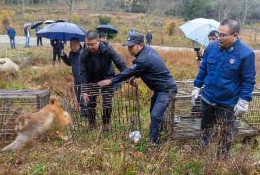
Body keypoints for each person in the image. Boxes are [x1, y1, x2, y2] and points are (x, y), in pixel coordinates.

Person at [192, 19, 256, 158]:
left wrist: (244, 100)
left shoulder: (246, 54)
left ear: (235, 35)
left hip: (227, 103)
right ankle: (201, 154)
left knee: (225, 133)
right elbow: (204, 68)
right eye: (218, 34)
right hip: (208, 98)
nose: (219, 38)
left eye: (223, 35)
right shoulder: (212, 48)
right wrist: (197, 85)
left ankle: (221, 160)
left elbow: (248, 80)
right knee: (206, 128)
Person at [98, 32, 177, 144]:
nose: (129, 49)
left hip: (167, 90)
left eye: (132, 46)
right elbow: (146, 69)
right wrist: (136, 74)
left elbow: (128, 72)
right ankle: (158, 134)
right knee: (154, 113)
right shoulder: (147, 50)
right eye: (128, 46)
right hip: (160, 89)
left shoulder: (143, 59)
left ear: (140, 45)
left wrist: (111, 81)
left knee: (155, 115)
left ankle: (154, 144)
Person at [80, 30, 127, 131]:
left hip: (107, 78)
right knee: (90, 103)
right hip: (91, 79)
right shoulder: (83, 53)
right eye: (88, 44)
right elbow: (83, 73)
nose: (90, 47)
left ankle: (106, 123)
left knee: (107, 102)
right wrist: (84, 91)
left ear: (99, 41)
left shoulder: (108, 49)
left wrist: (128, 75)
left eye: (92, 44)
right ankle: (92, 123)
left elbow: (119, 63)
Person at [60, 38, 87, 118]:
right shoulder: (71, 54)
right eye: (71, 45)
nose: (73, 47)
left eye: (74, 45)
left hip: (84, 79)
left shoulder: (84, 52)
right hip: (76, 79)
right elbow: (70, 63)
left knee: (83, 97)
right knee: (78, 96)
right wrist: (63, 56)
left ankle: (85, 115)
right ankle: (84, 112)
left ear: (79, 44)